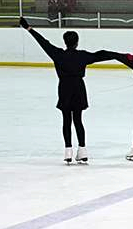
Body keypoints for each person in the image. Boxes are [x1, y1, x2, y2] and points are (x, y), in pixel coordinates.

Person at [18, 17, 113, 164]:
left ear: (65, 42)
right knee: (78, 120)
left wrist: (29, 28)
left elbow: (43, 42)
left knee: (66, 120)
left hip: (64, 88)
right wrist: (118, 55)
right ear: (77, 42)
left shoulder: (58, 54)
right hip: (79, 88)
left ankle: (68, 151)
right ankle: (82, 150)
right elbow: (101, 55)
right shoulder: (82, 56)